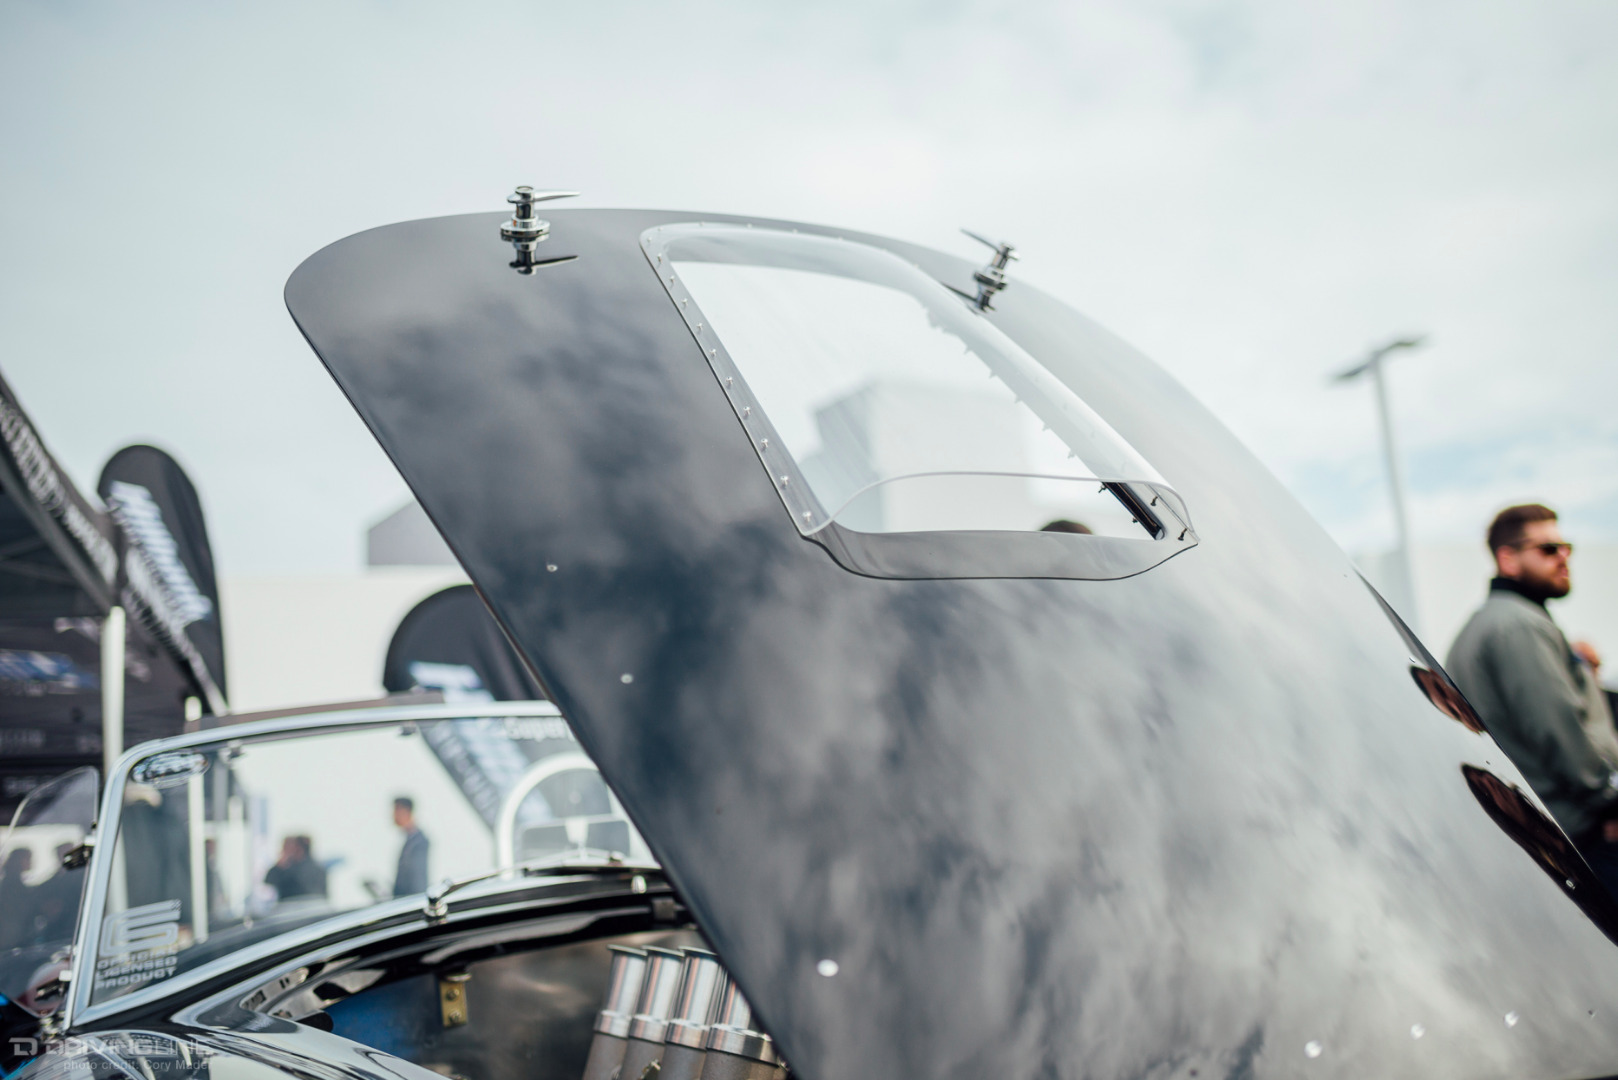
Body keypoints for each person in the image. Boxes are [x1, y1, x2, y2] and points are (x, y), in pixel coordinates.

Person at [1446, 503, 1618, 891]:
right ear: (1508, 559)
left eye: (1566, 547)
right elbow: (1557, 731)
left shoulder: (1496, 622)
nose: (1563, 557)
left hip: (1550, 837)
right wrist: (1608, 801)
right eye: (1548, 549)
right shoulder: (1518, 626)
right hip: (1581, 837)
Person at [263, 835, 328, 901]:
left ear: (298, 849)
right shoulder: (319, 868)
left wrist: (279, 865)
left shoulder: (291, 871)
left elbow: (269, 880)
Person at [392, 797, 430, 897]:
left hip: (410, 899)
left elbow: (418, 878)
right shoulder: (410, 840)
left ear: (406, 811)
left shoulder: (419, 842)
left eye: (396, 811)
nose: (393, 816)